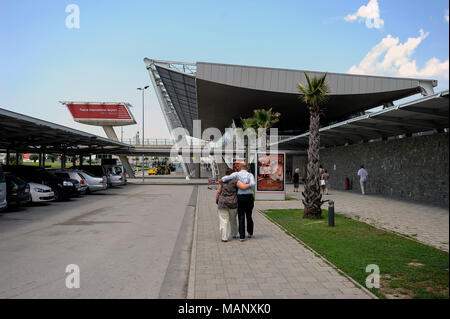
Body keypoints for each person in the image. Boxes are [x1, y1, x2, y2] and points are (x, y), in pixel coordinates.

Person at [220, 161, 256, 242]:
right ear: (246, 167)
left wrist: (221, 180)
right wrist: (247, 185)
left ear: (240, 167)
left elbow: (226, 178)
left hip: (240, 197)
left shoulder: (236, 174)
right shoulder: (250, 175)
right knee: (249, 215)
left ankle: (242, 236)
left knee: (241, 216)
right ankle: (250, 232)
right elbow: (253, 184)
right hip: (249, 197)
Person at [216, 169, 250, 242]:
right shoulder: (235, 181)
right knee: (233, 219)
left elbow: (218, 191)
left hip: (223, 203)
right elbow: (242, 188)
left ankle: (224, 237)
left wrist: (217, 199)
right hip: (233, 203)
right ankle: (234, 234)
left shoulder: (222, 181)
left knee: (223, 221)